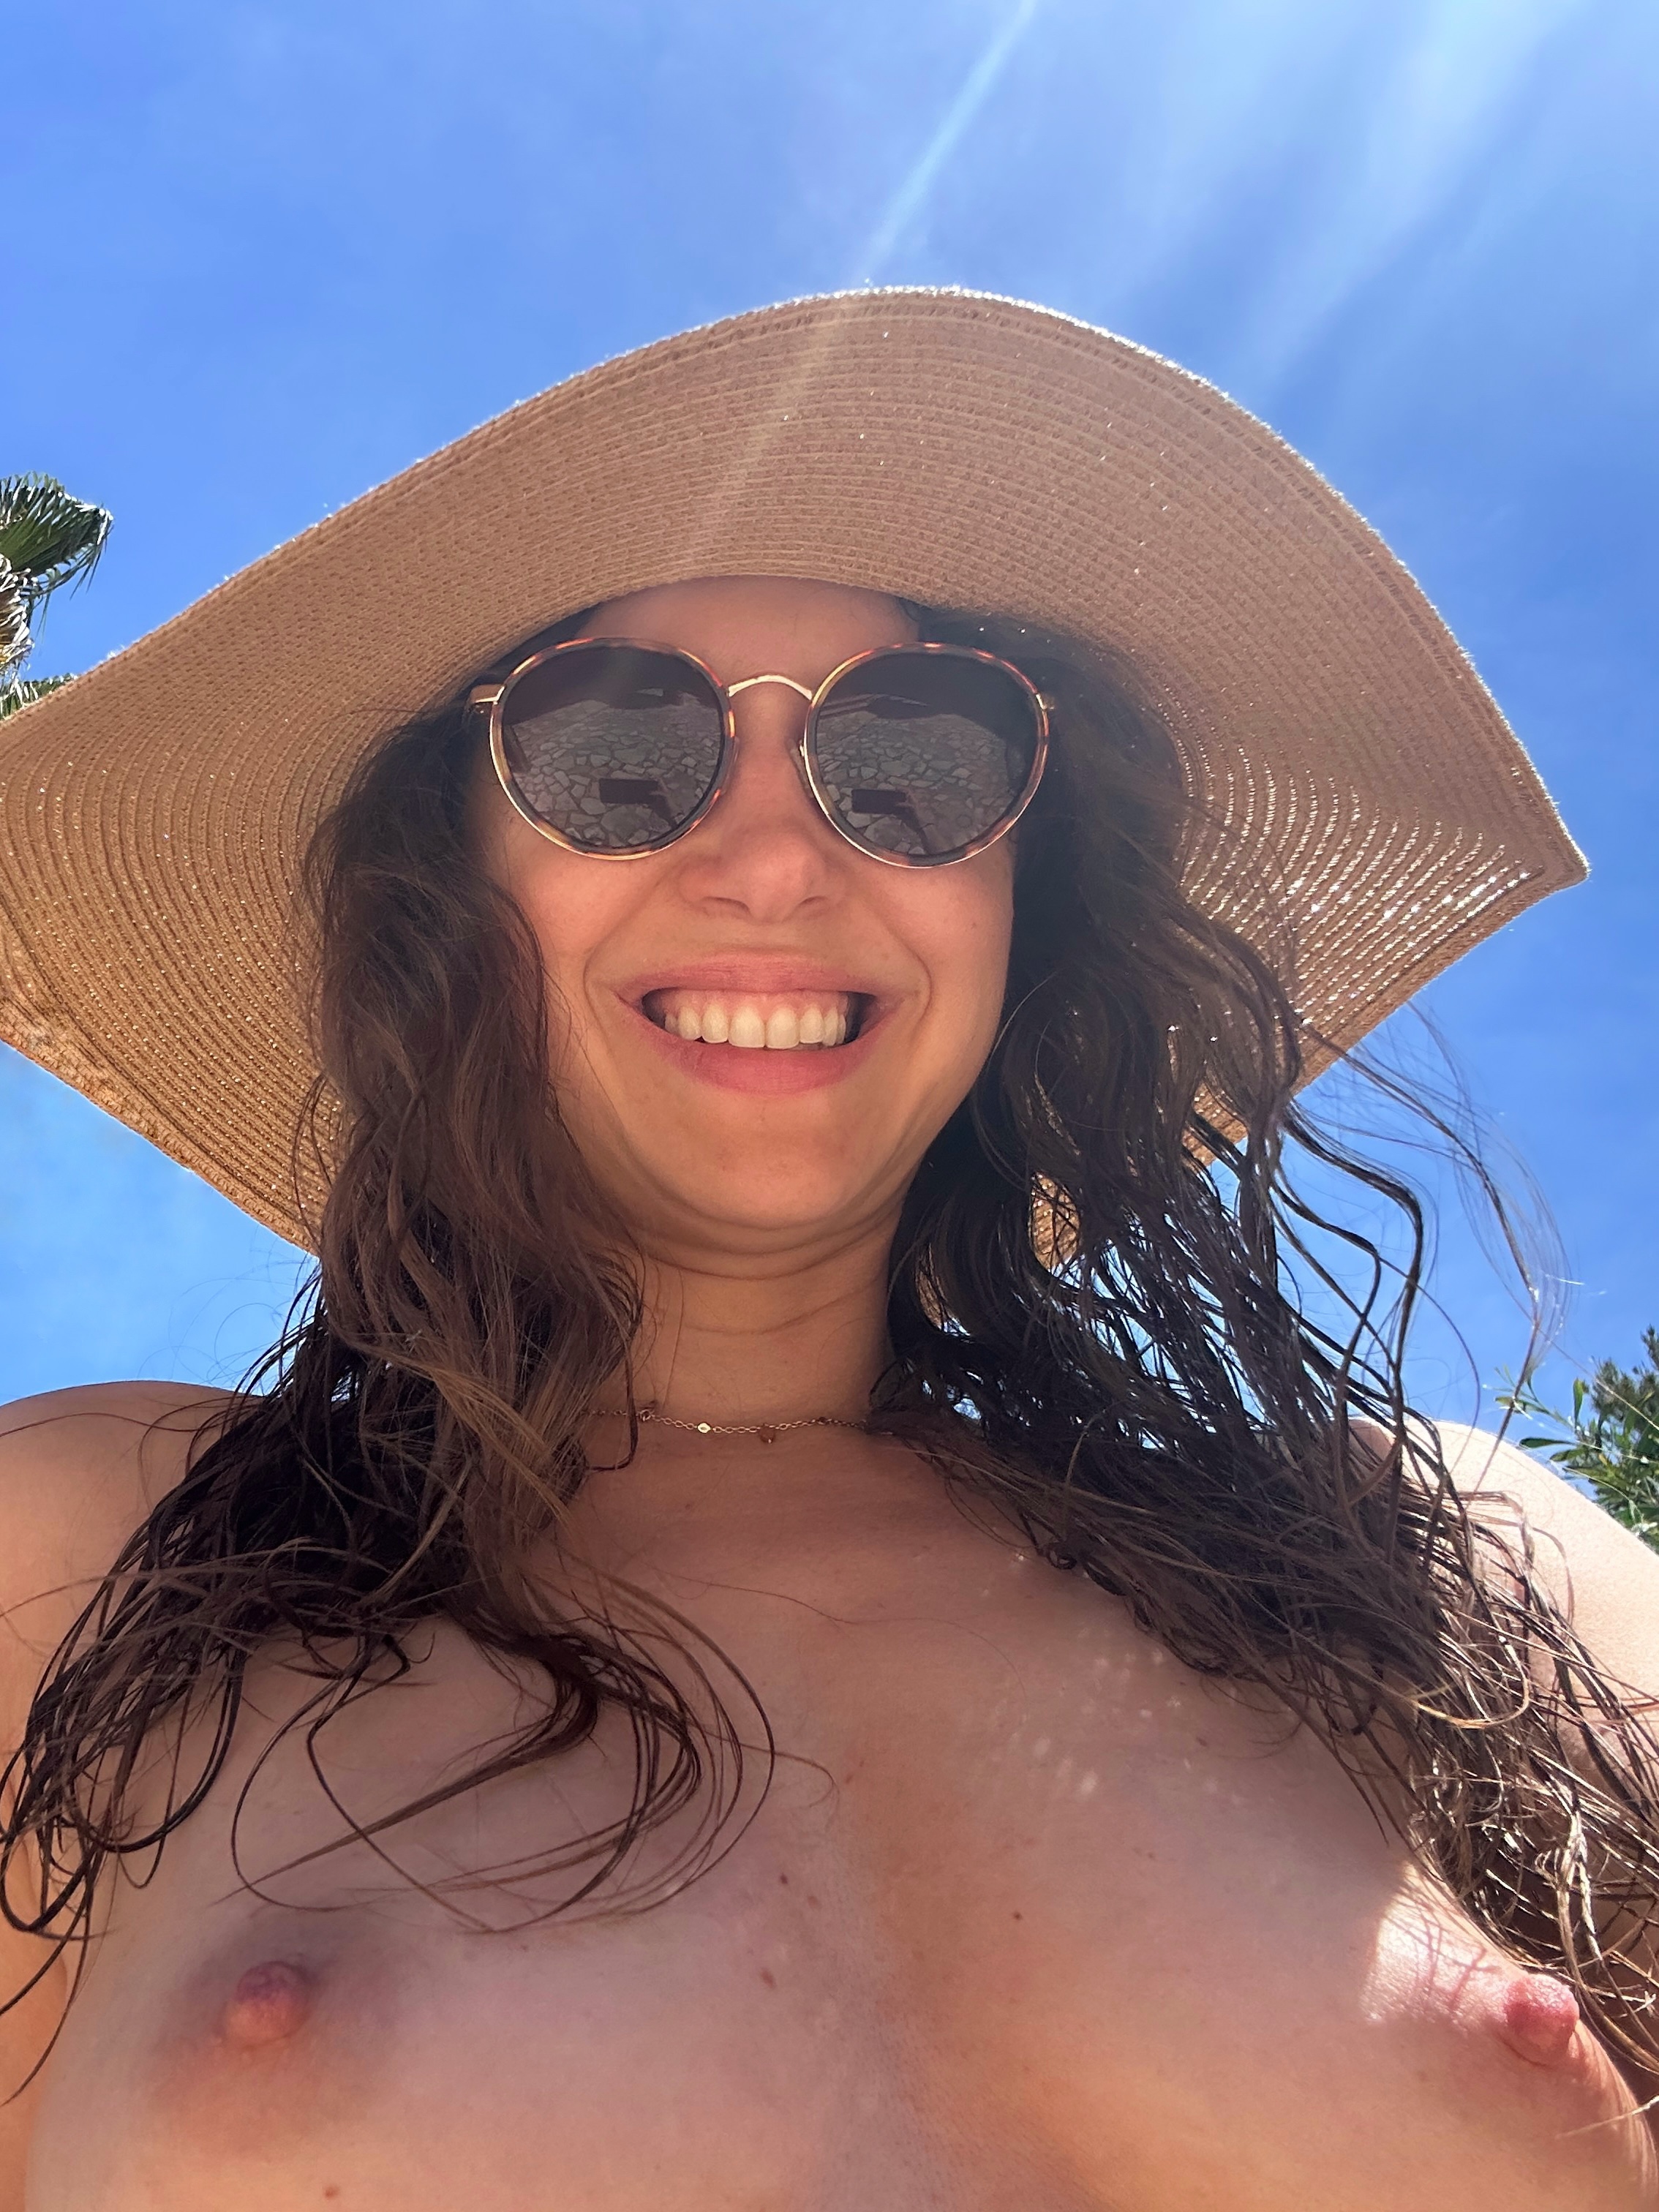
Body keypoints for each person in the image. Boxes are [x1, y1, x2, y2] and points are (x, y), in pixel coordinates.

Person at [0, 290, 1656, 2210]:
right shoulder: (85, 1560)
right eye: (615, 746)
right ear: (443, 882)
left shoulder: (1452, 1568)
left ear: (1025, 895)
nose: (780, 859)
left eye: (920, 755)